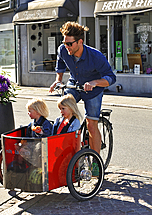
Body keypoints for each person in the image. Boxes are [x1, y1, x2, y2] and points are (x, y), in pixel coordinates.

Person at [49, 21, 116, 154]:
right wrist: (58, 80)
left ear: (80, 42)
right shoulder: (63, 50)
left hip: (93, 90)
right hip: (75, 84)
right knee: (65, 110)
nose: (66, 46)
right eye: (64, 43)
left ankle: (96, 163)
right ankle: (69, 150)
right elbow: (60, 63)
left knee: (91, 125)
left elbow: (111, 78)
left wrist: (95, 83)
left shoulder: (96, 56)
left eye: (69, 43)